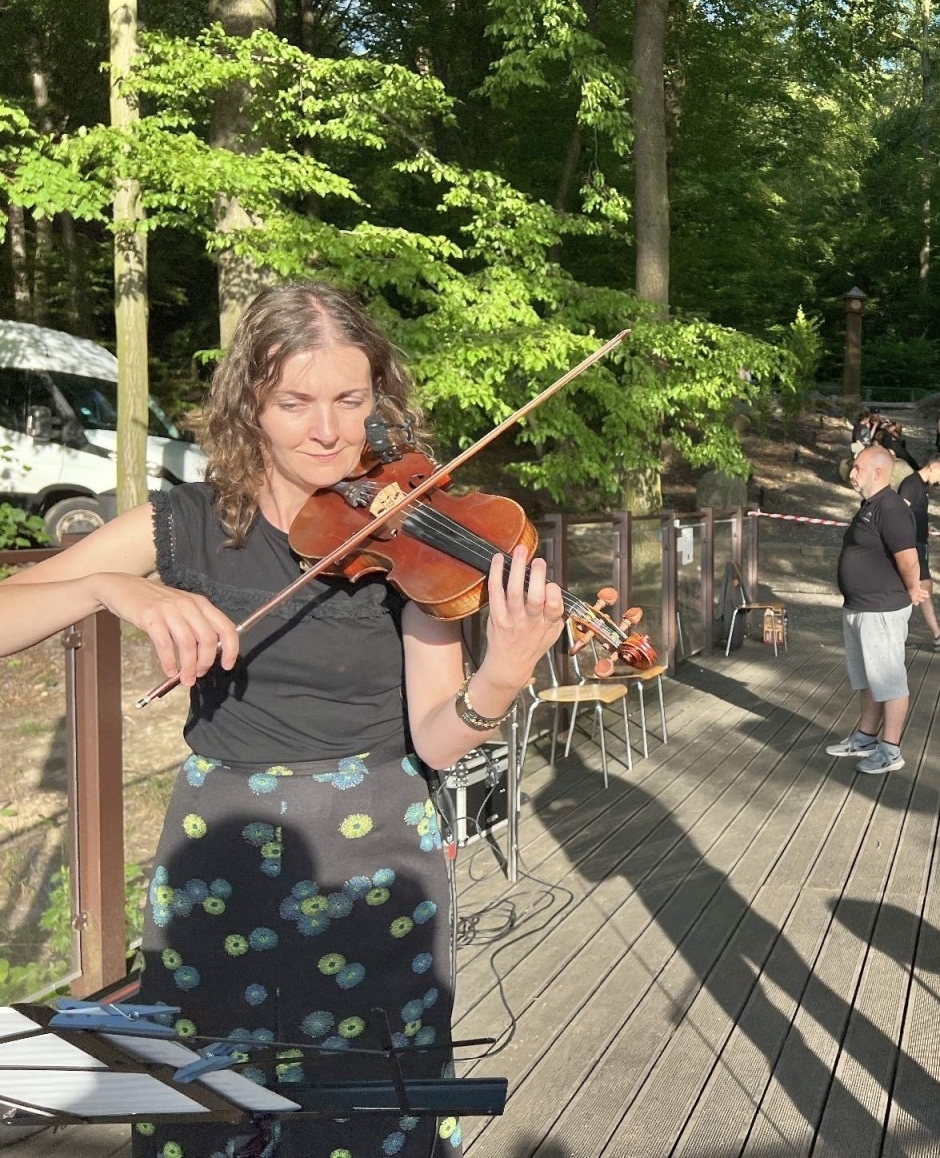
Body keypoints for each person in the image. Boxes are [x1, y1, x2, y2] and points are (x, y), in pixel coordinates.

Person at [0, 283, 568, 1158]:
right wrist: (107, 588)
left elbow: (438, 738)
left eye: (350, 399)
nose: (328, 430)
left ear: (379, 400)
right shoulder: (185, 522)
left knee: (372, 1106)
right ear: (249, 408)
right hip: (219, 853)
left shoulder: (408, 534)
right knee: (211, 1100)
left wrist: (501, 672)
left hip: (374, 854)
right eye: (295, 402)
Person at [826, 445, 928, 776]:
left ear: (878, 472)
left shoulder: (892, 508)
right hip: (860, 609)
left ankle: (890, 750)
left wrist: (912, 589)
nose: (851, 473)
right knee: (869, 679)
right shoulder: (870, 506)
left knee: (890, 680)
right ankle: (866, 739)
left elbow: (909, 559)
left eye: (857, 467)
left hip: (881, 611)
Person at [899, 453, 940, 651]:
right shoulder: (911, 484)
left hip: (920, 544)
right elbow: (898, 515)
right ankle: (937, 636)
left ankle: (900, 634)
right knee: (922, 587)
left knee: (917, 589)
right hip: (911, 546)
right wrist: (904, 545)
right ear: (932, 466)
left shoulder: (922, 487)